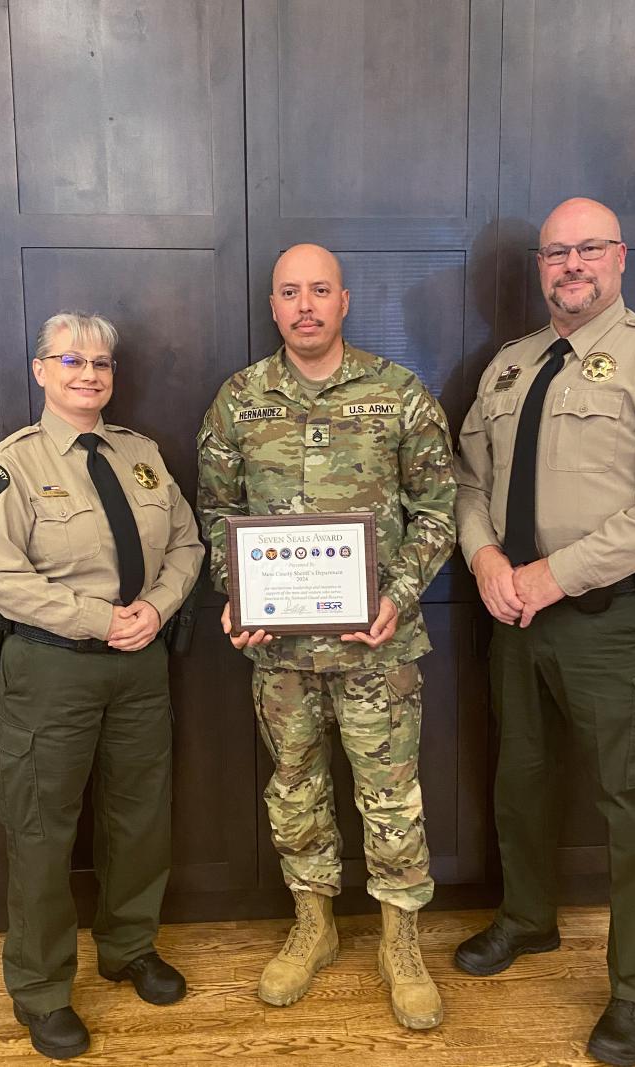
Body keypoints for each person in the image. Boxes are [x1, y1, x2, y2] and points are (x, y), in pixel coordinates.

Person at [454, 198, 635, 1066]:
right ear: (540, 266)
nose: (571, 264)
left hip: (612, 624)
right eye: (555, 252)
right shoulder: (510, 366)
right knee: (518, 781)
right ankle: (527, 918)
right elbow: (467, 478)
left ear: (620, 256)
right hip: (515, 619)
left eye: (588, 249)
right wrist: (488, 558)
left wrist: (554, 573)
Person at [196, 244, 456, 1030]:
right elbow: (214, 515)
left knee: (389, 797)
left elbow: (440, 511)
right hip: (278, 656)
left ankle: (400, 939)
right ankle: (314, 923)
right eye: (288, 292)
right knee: (296, 790)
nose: (304, 305)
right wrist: (233, 591)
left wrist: (397, 594)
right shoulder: (238, 401)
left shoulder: (398, 395)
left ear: (345, 301)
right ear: (272, 307)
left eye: (319, 290)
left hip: (378, 648)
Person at [0, 312, 204, 1061]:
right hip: (52, 667)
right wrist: (99, 618)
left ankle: (129, 945)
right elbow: (0, 578)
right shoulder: (10, 464)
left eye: (101, 363)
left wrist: (157, 609)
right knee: (41, 830)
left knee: (142, 816)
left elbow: (188, 543)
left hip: (141, 661)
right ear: (40, 370)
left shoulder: (141, 455)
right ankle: (40, 988)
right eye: (71, 360)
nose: (89, 374)